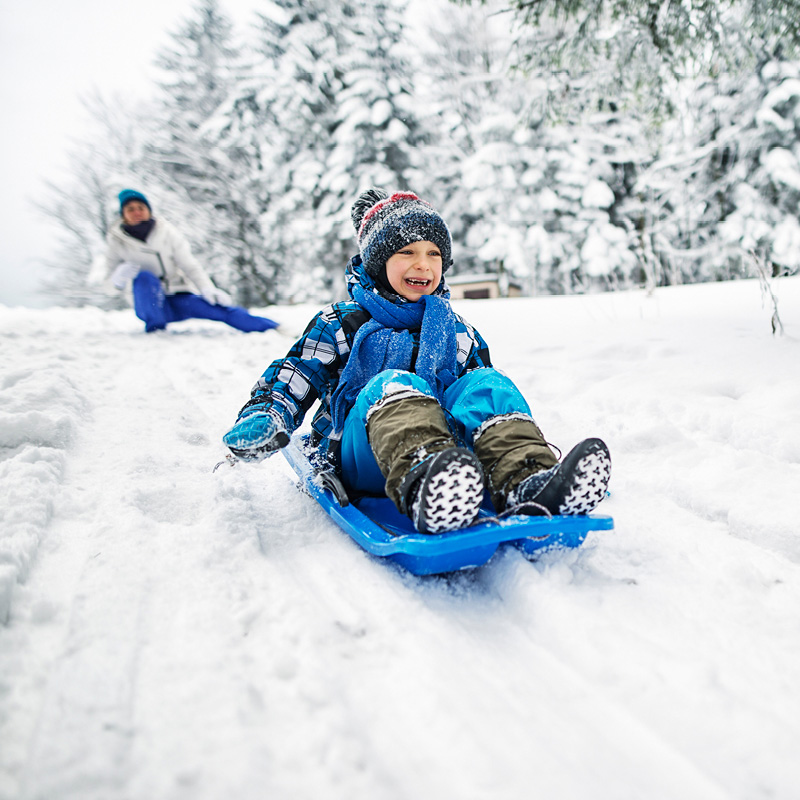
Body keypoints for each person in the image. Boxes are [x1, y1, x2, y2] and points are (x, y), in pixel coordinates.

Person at [222, 189, 611, 534]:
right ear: (377, 263)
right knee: (393, 383)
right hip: (362, 455)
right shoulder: (341, 322)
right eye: (406, 252)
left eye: (434, 254)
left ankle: (529, 480)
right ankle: (430, 487)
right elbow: (295, 375)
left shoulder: (456, 330)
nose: (423, 265)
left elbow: (474, 402)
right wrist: (267, 415)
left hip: (451, 456)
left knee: (486, 385)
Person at [94, 189, 279, 334]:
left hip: (178, 297)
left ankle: (272, 327)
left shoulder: (166, 232)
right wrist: (117, 280)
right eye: (130, 209)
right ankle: (156, 329)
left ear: (149, 210)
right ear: (123, 214)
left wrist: (207, 288)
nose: (136, 212)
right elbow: (107, 287)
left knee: (219, 310)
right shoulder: (116, 241)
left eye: (140, 208)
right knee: (144, 277)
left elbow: (189, 265)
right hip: (149, 306)